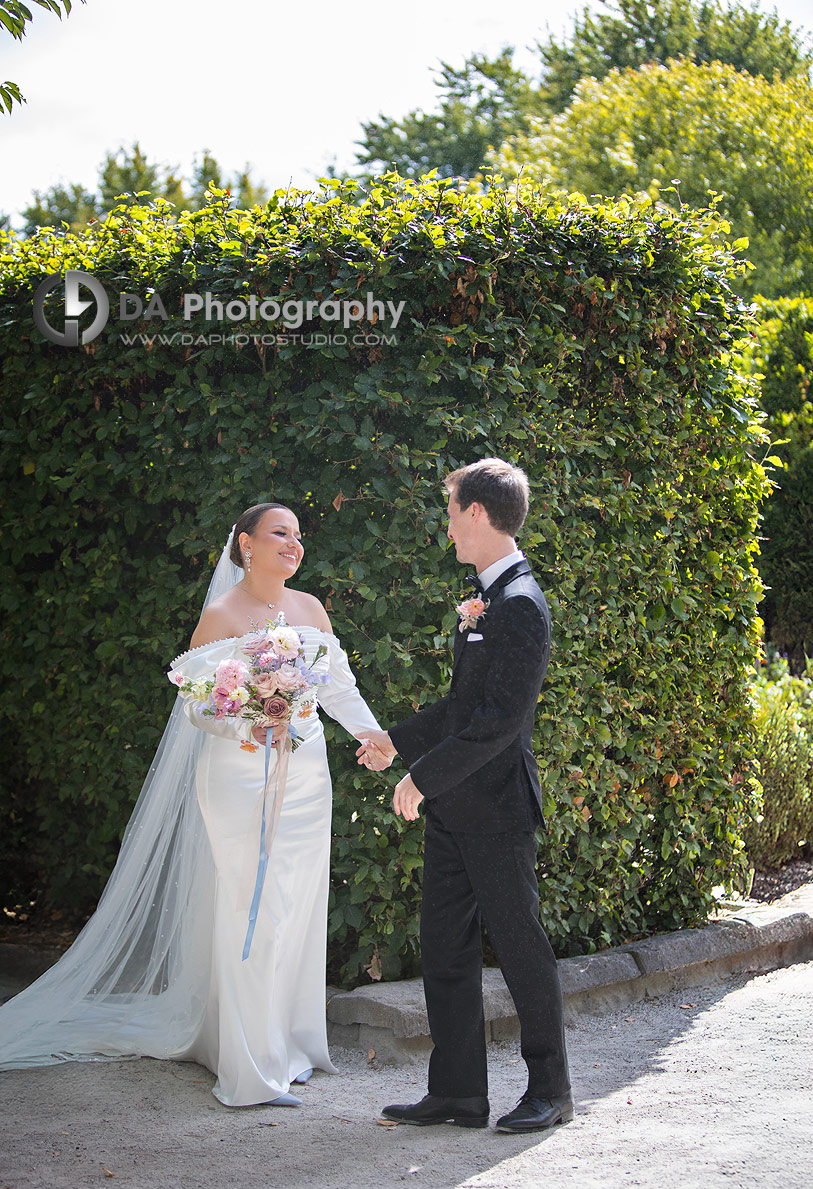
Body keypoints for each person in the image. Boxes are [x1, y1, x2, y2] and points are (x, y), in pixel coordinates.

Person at [0, 503, 382, 1109]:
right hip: (239, 776)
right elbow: (199, 706)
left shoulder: (310, 609)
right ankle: (249, 1068)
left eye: (298, 535)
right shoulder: (221, 616)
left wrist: (371, 734)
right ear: (246, 543)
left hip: (306, 774)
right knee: (249, 905)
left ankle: (289, 1043)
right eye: (279, 533)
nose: (293, 543)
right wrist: (251, 724)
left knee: (298, 901)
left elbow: (337, 685)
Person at [358, 459, 573, 1134]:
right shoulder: (485, 598)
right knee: (445, 948)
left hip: (498, 811)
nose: (447, 525)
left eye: (451, 511)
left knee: (519, 948)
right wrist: (395, 741)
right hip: (455, 807)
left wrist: (421, 778)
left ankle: (551, 1090)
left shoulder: (519, 604)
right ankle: (456, 1093)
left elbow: (498, 725)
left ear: (477, 513)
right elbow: (461, 705)